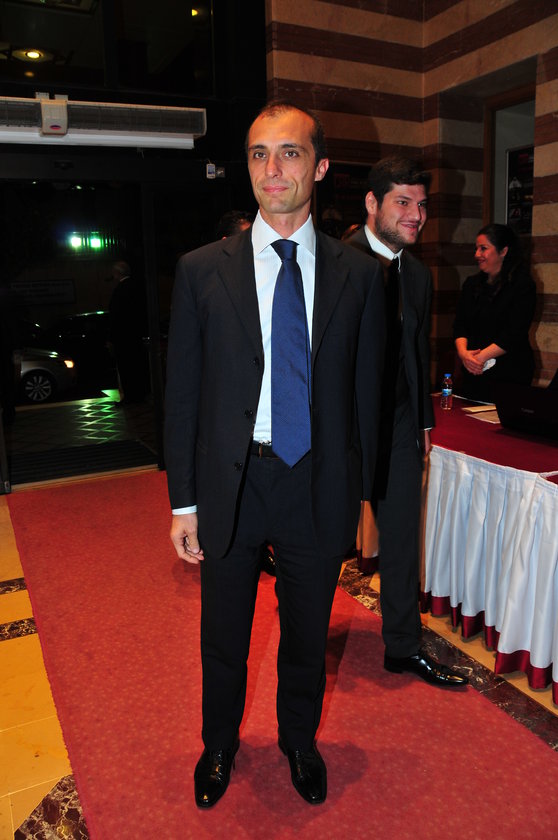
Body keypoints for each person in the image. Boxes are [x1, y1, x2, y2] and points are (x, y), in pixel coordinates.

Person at [164, 100, 385, 808]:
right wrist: (183, 502)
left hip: (316, 480)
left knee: (306, 634)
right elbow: (183, 395)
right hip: (231, 482)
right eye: (259, 154)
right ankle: (218, 745)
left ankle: (298, 741)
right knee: (223, 632)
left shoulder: (359, 277)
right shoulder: (202, 271)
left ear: (319, 167)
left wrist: (367, 497)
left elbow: (368, 399)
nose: (272, 168)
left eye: (289, 152)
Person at [348, 156, 469, 689]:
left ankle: (402, 647)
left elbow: (417, 354)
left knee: (401, 540)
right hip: (342, 429)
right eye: (403, 202)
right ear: (372, 203)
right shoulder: (335, 263)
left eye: (421, 204)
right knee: (322, 540)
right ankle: (303, 644)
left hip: (398, 425)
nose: (416, 215)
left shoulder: (418, 274)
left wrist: (422, 422)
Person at [453, 223, 536, 403]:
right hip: (473, 370)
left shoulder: (522, 285)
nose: (477, 254)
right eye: (476, 249)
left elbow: (514, 333)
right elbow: (460, 325)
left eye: (483, 248)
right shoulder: (471, 284)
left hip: (510, 371)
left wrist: (479, 359)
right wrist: (464, 354)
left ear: (503, 251)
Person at [107, 260, 149, 404]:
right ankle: (140, 395)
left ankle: (130, 396)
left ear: (117, 273)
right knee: (137, 366)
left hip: (123, 337)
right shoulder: (138, 288)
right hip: (136, 335)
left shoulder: (119, 290)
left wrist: (111, 338)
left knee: (126, 368)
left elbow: (115, 316)